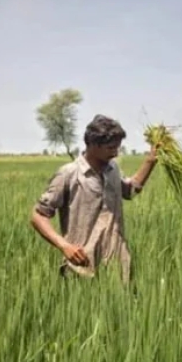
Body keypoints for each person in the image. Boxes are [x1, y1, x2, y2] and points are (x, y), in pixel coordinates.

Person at [30, 114, 159, 283]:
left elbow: (129, 191)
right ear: (92, 144)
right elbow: (38, 216)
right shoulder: (69, 174)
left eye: (117, 147)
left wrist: (150, 162)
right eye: (110, 148)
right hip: (82, 264)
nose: (115, 153)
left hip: (116, 263)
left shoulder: (113, 169)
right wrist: (64, 246)